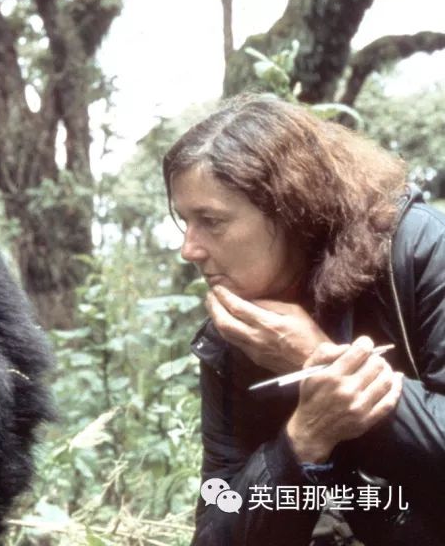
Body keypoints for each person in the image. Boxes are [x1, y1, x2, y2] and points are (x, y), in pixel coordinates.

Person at [163, 94, 445, 545]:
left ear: (291, 210)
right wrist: (301, 444)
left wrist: (317, 359)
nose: (189, 249)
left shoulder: (419, 251)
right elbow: (217, 527)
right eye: (185, 221)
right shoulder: (235, 331)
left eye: (211, 221)